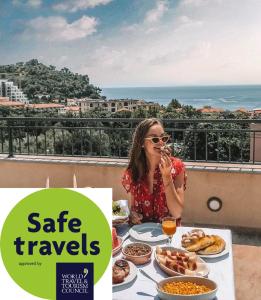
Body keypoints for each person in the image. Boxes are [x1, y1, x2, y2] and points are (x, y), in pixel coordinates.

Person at [122, 118, 186, 225]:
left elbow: (177, 213)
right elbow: (134, 209)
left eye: (163, 138)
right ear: (142, 143)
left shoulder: (176, 166)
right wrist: (133, 216)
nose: (161, 142)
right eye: (155, 139)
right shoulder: (133, 171)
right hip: (141, 234)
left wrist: (167, 176)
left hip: (167, 234)